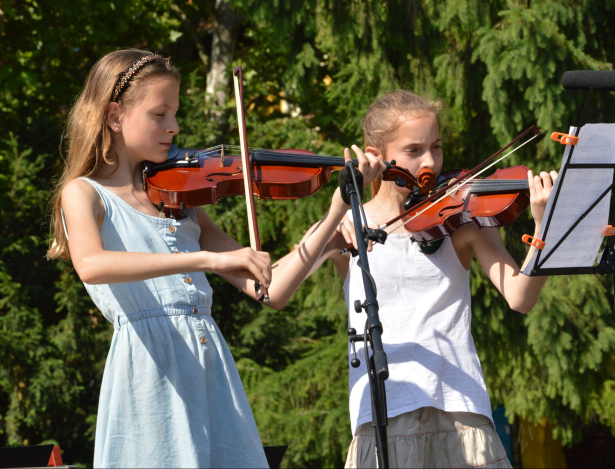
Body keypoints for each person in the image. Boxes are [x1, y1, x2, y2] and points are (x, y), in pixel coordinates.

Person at [46, 49, 386, 468]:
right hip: (150, 373)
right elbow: (92, 265)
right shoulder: (84, 193)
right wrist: (205, 259)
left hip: (209, 367)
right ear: (115, 116)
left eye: (175, 114)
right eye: (160, 114)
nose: (173, 128)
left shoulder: (180, 203)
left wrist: (333, 213)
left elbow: (271, 289)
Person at [296, 90, 558, 468]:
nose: (431, 162)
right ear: (375, 153)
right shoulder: (348, 226)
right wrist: (333, 220)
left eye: (435, 147)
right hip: (383, 414)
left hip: (461, 413)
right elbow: (275, 284)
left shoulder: (463, 220)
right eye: (414, 150)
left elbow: (521, 297)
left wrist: (544, 226)